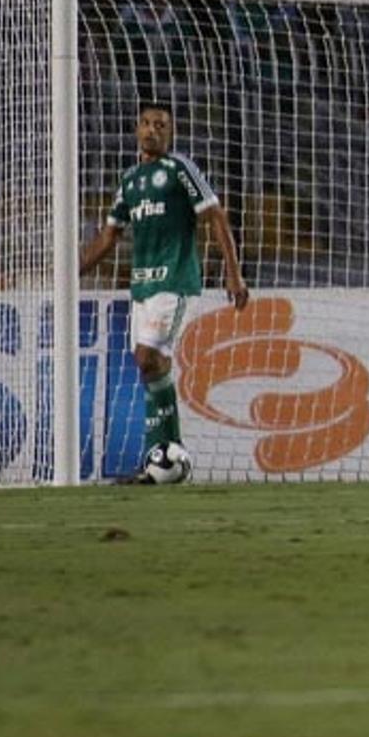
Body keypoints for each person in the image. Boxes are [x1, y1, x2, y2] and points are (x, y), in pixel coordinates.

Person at [77, 102, 249, 483]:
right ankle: (164, 460)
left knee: (146, 356)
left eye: (161, 125)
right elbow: (109, 237)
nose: (152, 130)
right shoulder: (130, 180)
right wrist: (72, 274)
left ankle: (166, 456)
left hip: (175, 280)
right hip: (142, 286)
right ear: (136, 130)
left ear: (170, 134)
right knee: (151, 368)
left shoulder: (179, 169)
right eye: (146, 124)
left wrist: (233, 275)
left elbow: (215, 215)